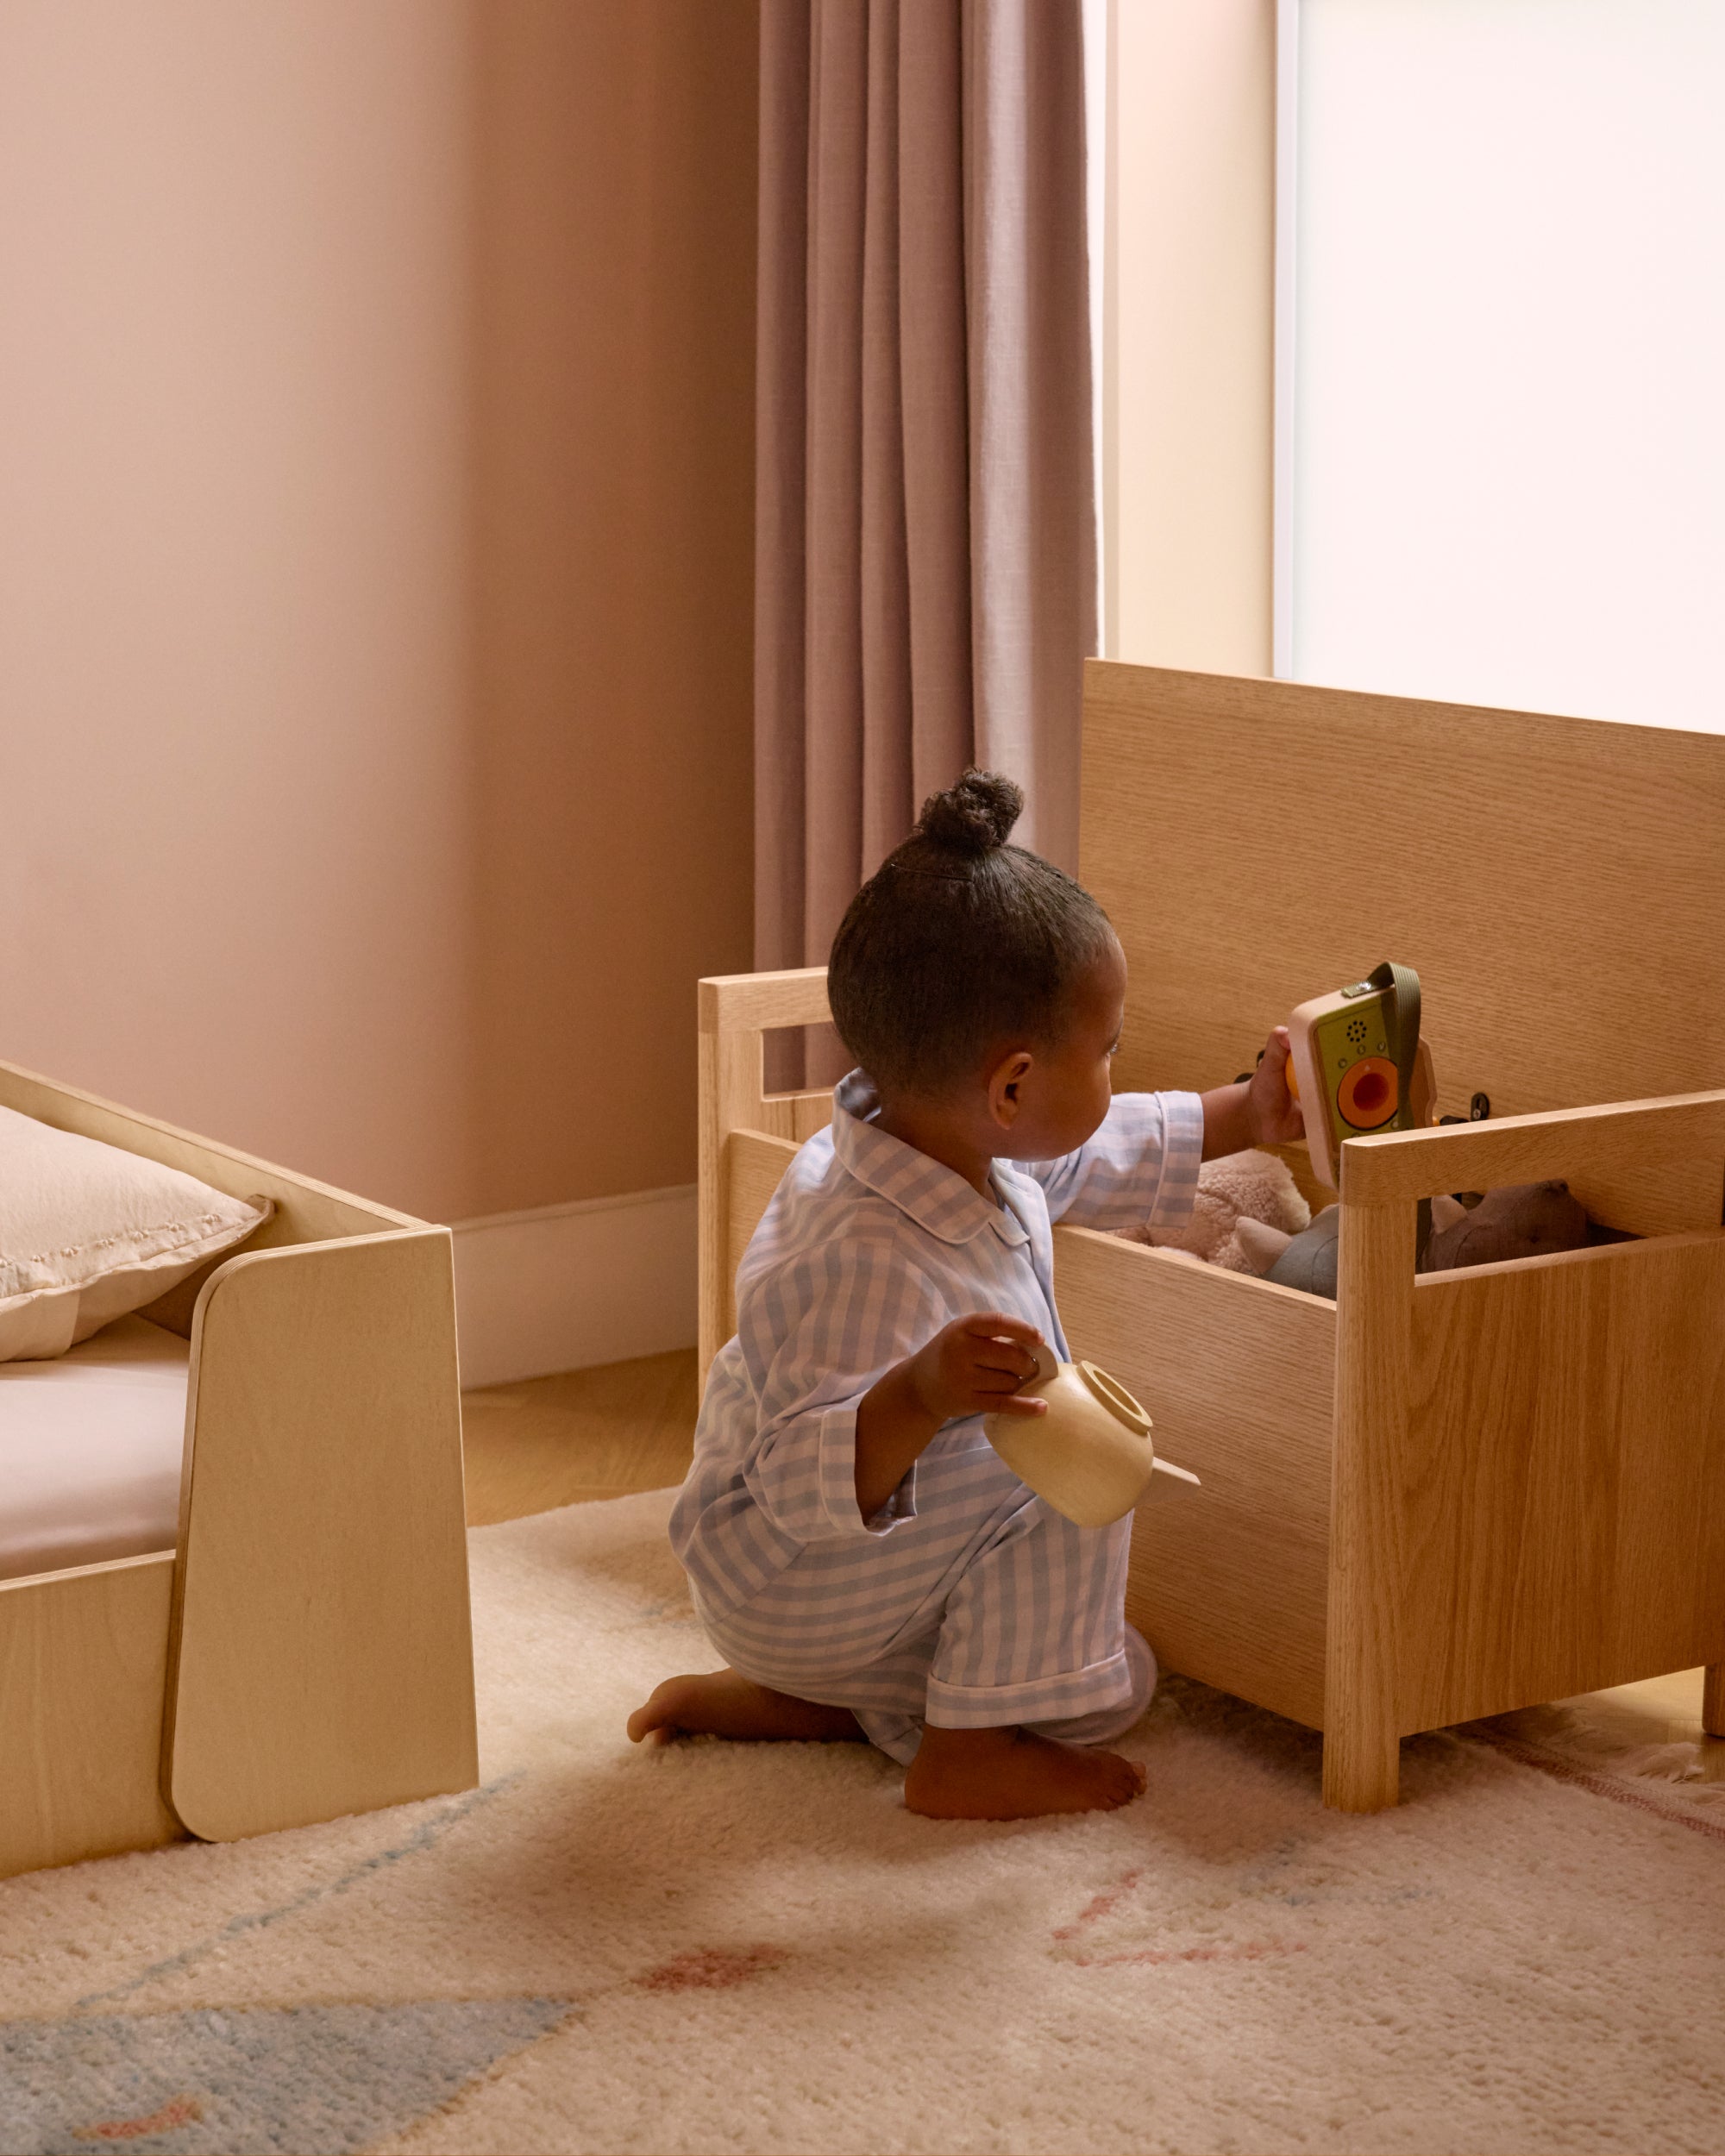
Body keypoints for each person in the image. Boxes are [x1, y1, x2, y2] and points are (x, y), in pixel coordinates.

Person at [629, 771, 1302, 1819]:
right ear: (1013, 1085)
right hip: (786, 1566)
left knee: (1108, 1662)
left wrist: (1247, 1114)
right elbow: (799, 1473)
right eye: (1109, 1048)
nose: (1116, 1070)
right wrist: (919, 1392)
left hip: (802, 1585)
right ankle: (966, 1746)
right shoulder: (860, 1252)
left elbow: (1099, 1151)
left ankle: (824, 1701)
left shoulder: (946, 1146)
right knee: (1073, 1469)